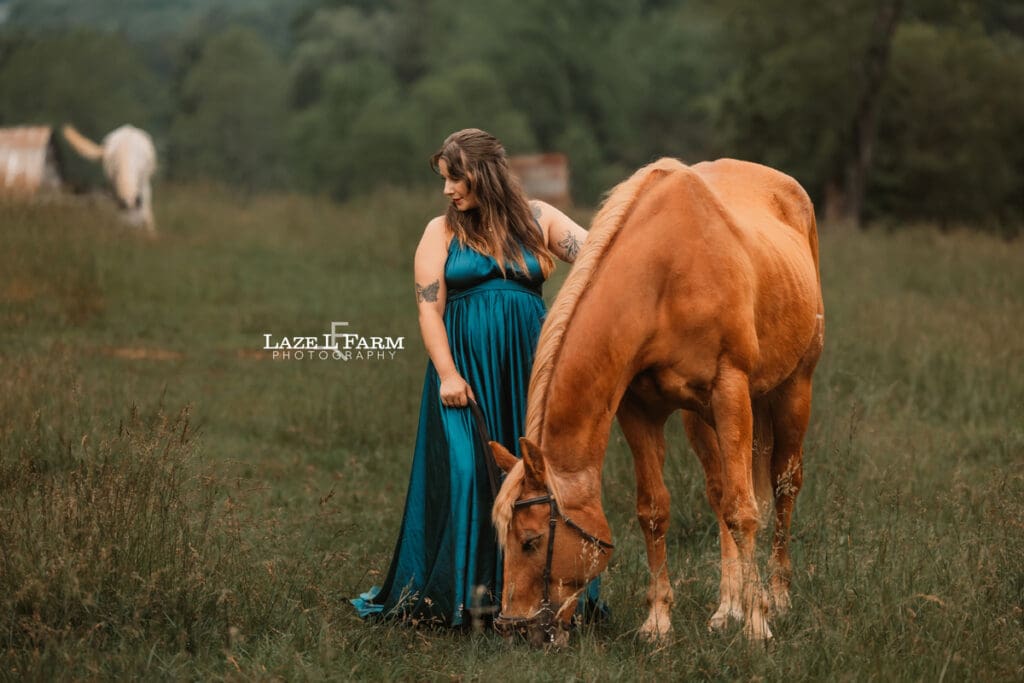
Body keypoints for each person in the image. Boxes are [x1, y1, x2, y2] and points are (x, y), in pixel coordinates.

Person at [351, 128, 594, 628]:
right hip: (463, 374)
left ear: (483, 174)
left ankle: (543, 594)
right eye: (444, 179)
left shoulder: (539, 219)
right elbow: (428, 311)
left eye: (454, 178)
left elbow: (598, 260)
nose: (447, 190)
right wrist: (447, 374)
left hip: (528, 371)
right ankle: (464, 601)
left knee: (533, 482)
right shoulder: (438, 233)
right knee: (467, 473)